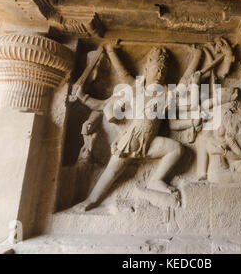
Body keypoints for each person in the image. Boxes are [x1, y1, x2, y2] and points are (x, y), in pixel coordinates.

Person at [73, 44, 184, 212]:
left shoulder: (166, 95)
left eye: (163, 71)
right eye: (157, 69)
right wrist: (110, 52)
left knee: (176, 149)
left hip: (151, 142)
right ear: (146, 69)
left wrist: (197, 59)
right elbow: (120, 77)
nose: (160, 74)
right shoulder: (135, 89)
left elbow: (185, 83)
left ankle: (156, 180)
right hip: (131, 140)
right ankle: (92, 199)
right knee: (112, 171)